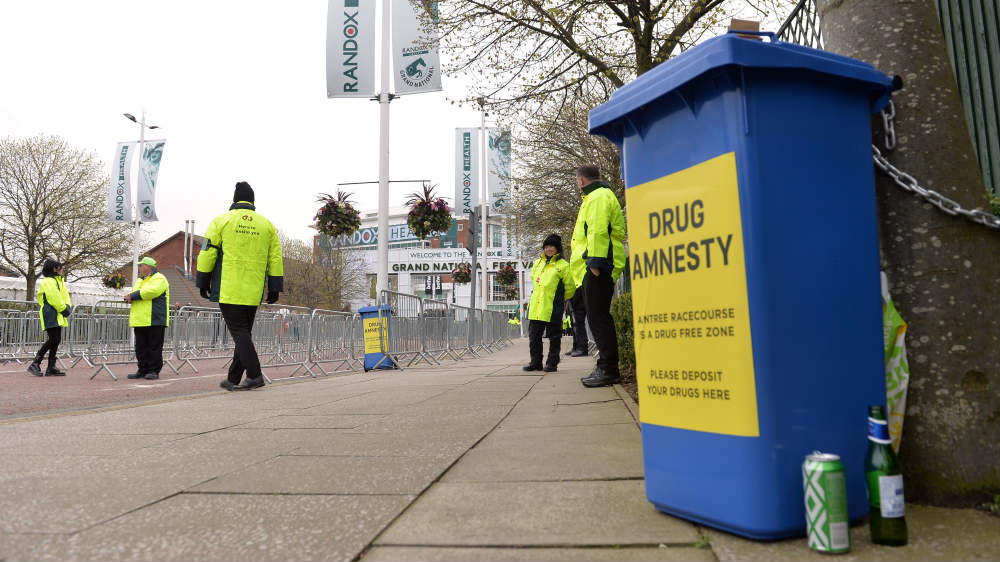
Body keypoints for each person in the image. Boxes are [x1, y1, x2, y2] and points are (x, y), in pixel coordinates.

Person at [197, 181, 283, 391]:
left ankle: (255, 375)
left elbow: (208, 251)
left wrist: (202, 281)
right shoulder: (266, 225)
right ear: (253, 201)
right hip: (253, 290)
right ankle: (233, 378)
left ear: (234, 199)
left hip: (229, 287)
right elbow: (275, 258)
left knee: (240, 333)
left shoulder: (222, 220)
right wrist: (274, 286)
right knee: (243, 333)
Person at [570, 164, 626, 388]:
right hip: (597, 265)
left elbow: (598, 230)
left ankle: (608, 369)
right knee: (597, 318)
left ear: (581, 181)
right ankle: (605, 366)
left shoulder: (598, 197)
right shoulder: (598, 196)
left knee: (599, 318)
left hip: (598, 266)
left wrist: (595, 263)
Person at [524, 234, 576, 373]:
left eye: (552, 246)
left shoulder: (564, 266)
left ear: (557, 248)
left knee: (554, 337)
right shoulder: (537, 263)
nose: (549, 249)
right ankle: (535, 362)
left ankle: (552, 364)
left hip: (553, 306)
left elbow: (570, 287)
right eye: (546, 246)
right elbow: (535, 280)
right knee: (534, 337)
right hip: (536, 307)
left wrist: (559, 299)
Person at [124, 256, 170, 380]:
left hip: (154, 319)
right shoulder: (140, 280)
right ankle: (142, 369)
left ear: (149, 267)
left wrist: (132, 296)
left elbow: (152, 292)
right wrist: (130, 297)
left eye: (141, 265)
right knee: (140, 347)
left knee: (154, 347)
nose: (139, 268)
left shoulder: (160, 278)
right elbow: (138, 293)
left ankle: (153, 370)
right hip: (140, 319)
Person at [29, 259, 72, 376]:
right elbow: (54, 298)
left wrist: (67, 307)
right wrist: (65, 309)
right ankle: (35, 363)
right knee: (53, 339)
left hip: (58, 312)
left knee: (56, 339)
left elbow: (65, 296)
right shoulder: (49, 281)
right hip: (50, 312)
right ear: (54, 269)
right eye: (60, 267)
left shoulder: (58, 281)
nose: (62, 270)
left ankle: (51, 366)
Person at [564, 292, 588, 356]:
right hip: (573, 295)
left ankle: (582, 348)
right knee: (574, 325)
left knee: (579, 324)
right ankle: (576, 347)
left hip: (578, 294)